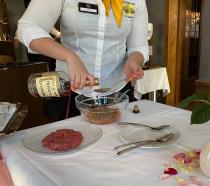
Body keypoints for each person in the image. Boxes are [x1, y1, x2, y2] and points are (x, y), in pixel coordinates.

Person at [17, 0, 149, 120]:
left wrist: (134, 60)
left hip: (118, 91)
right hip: (72, 90)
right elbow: (28, 27)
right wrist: (70, 57)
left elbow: (138, 46)